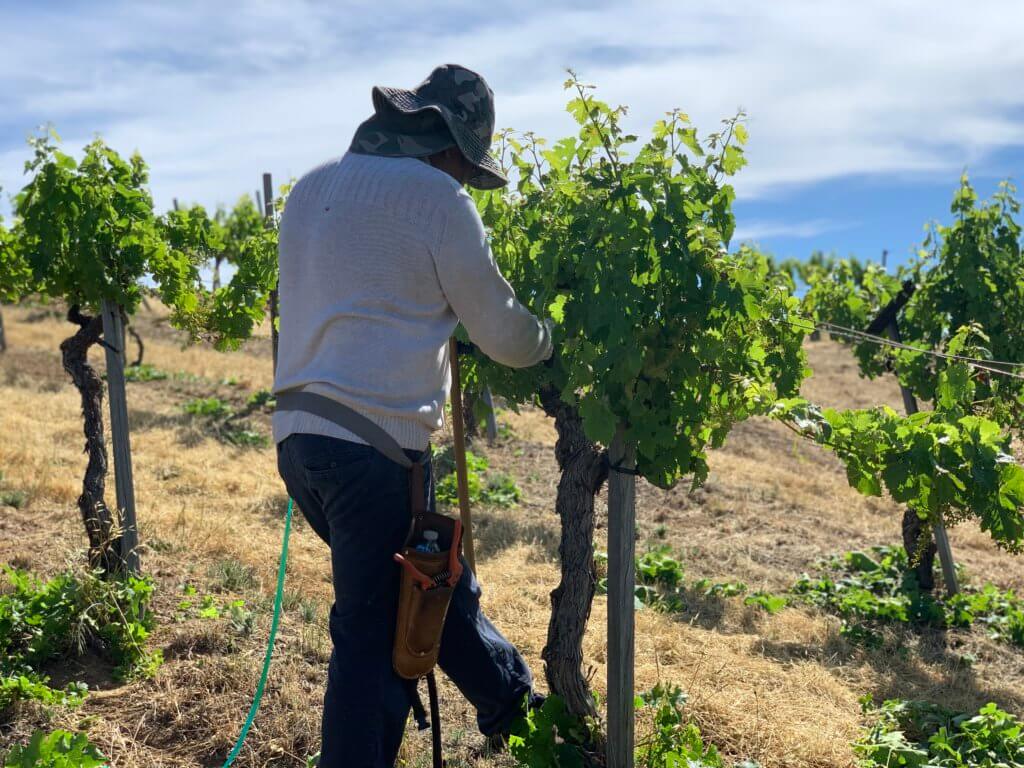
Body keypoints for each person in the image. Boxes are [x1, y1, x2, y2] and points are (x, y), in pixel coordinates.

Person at [273, 63, 553, 768]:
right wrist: (553, 341)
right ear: (449, 145)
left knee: (426, 588)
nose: (464, 179)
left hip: (303, 441)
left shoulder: (311, 188)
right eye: (465, 164)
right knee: (373, 644)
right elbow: (507, 338)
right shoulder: (435, 199)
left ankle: (514, 709)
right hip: (376, 448)